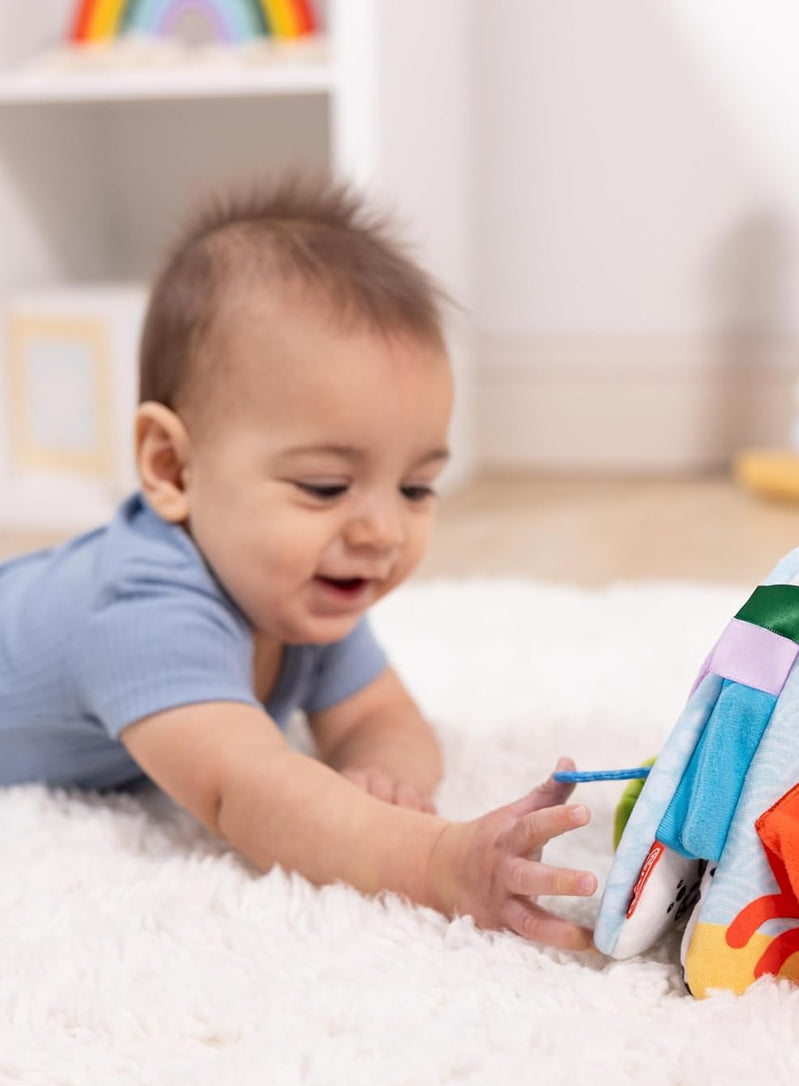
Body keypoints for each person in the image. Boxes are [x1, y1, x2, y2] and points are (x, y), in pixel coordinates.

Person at [0, 176, 598, 950]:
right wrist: (436, 861)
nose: (382, 529)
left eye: (416, 486)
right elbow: (244, 790)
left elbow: (382, 714)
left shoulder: (293, 591)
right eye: (325, 486)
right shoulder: (141, 610)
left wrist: (382, 774)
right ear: (172, 469)